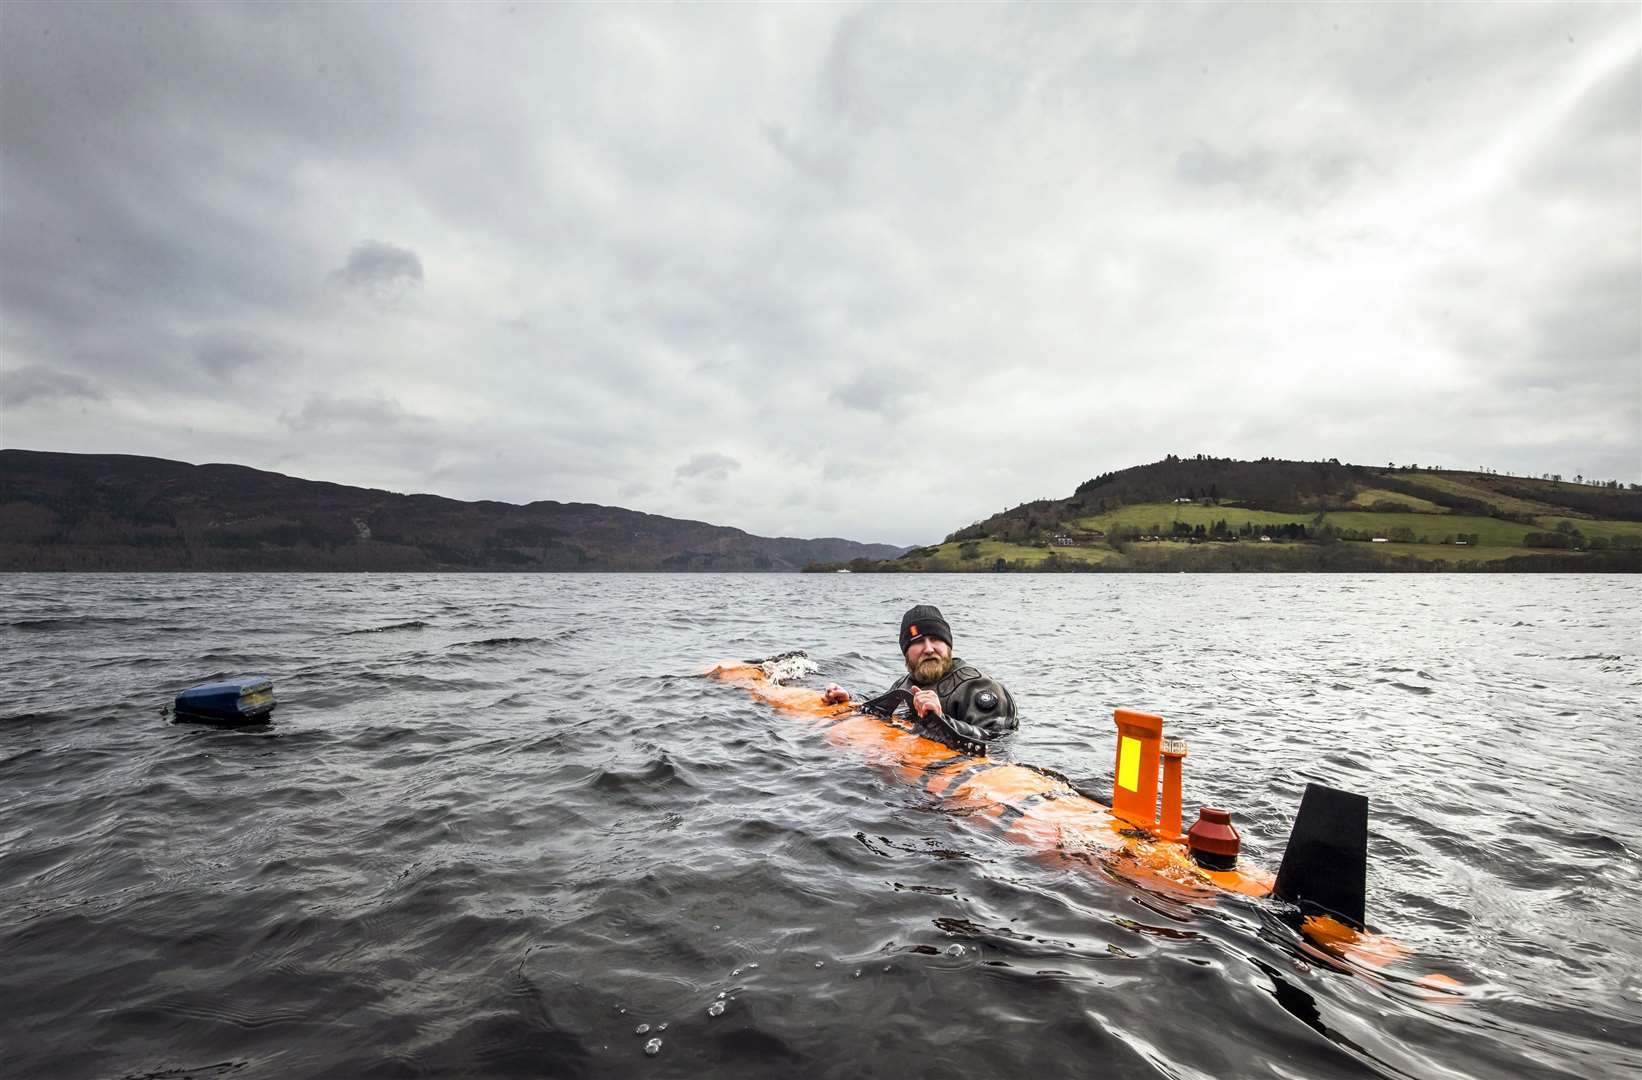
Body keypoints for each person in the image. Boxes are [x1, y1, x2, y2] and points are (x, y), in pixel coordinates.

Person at [823, 604, 1018, 741]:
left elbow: (997, 740)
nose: (929, 649)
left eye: (936, 639)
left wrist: (941, 721)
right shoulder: (903, 685)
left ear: (949, 645)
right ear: (906, 651)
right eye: (918, 642)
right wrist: (850, 698)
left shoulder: (977, 687)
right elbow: (884, 709)